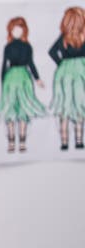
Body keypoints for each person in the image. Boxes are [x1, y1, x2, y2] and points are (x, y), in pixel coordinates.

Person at [0, 16, 45, 153]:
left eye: (19, 28)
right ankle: (11, 142)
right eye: (14, 29)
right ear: (10, 30)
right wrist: (2, 82)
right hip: (10, 78)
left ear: (24, 30)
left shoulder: (27, 46)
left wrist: (37, 78)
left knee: (23, 110)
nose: (17, 31)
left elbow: (31, 63)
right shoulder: (8, 47)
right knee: (10, 110)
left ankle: (22, 141)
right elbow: (4, 65)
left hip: (24, 77)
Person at [49, 7, 85, 150]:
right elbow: (51, 52)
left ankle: (64, 142)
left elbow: (52, 52)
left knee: (67, 106)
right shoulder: (75, 37)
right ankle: (78, 141)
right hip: (79, 72)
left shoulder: (64, 37)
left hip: (66, 73)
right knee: (79, 106)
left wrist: (62, 64)